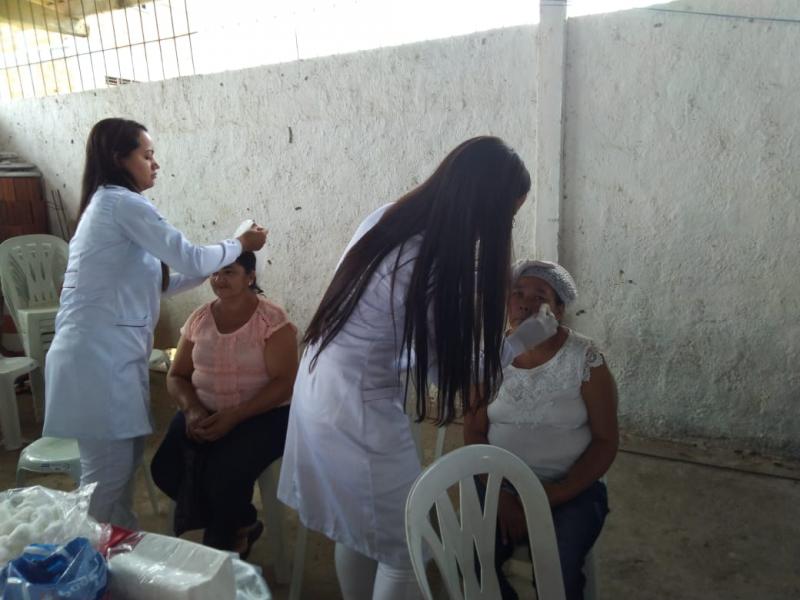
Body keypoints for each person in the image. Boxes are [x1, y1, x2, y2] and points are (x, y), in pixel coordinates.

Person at [278, 136, 559, 600]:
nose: (502, 229)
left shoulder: (389, 218)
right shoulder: (434, 261)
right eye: (506, 217)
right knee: (408, 546)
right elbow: (449, 373)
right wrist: (521, 340)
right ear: (484, 206)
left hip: (318, 384)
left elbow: (394, 317)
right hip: (356, 410)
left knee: (361, 531)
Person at [43, 118, 267, 529]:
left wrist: (216, 266)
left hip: (107, 360)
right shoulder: (120, 204)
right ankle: (93, 557)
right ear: (119, 159)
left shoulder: (109, 207)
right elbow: (191, 258)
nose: (155, 164)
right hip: (98, 363)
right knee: (104, 485)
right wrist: (239, 244)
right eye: (147, 156)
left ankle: (114, 552)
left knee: (117, 474)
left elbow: (165, 281)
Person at [463, 259, 619, 600]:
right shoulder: (489, 357)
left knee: (558, 569)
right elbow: (473, 432)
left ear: (558, 311)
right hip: (499, 485)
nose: (525, 303)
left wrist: (552, 495)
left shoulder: (584, 358)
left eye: (540, 296)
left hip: (569, 489)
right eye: (518, 293)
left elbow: (606, 441)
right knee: (473, 564)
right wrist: (501, 496)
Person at [150, 251, 297, 557]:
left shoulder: (271, 321)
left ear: (250, 277)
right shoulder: (200, 319)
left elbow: (284, 382)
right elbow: (177, 376)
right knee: (165, 467)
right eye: (215, 273)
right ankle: (242, 522)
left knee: (223, 472)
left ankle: (222, 540)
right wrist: (192, 409)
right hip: (203, 411)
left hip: (263, 415)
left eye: (229, 272)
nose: (219, 279)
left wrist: (236, 415)